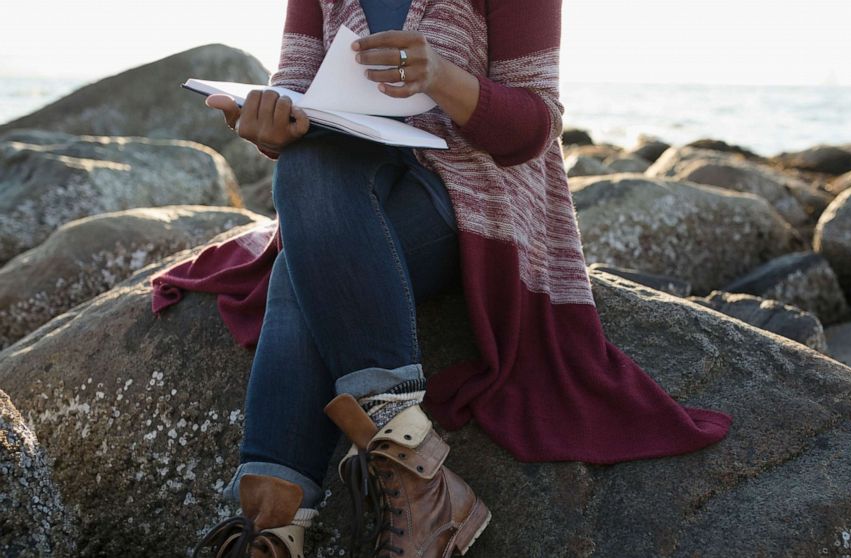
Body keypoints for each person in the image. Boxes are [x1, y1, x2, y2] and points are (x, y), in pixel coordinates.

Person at [150, 0, 734, 557]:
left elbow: (535, 123)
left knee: (300, 273)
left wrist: (440, 76)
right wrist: (271, 129)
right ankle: (314, 516)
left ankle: (288, 519)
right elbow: (294, 91)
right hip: (344, 190)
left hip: (471, 193)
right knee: (307, 183)